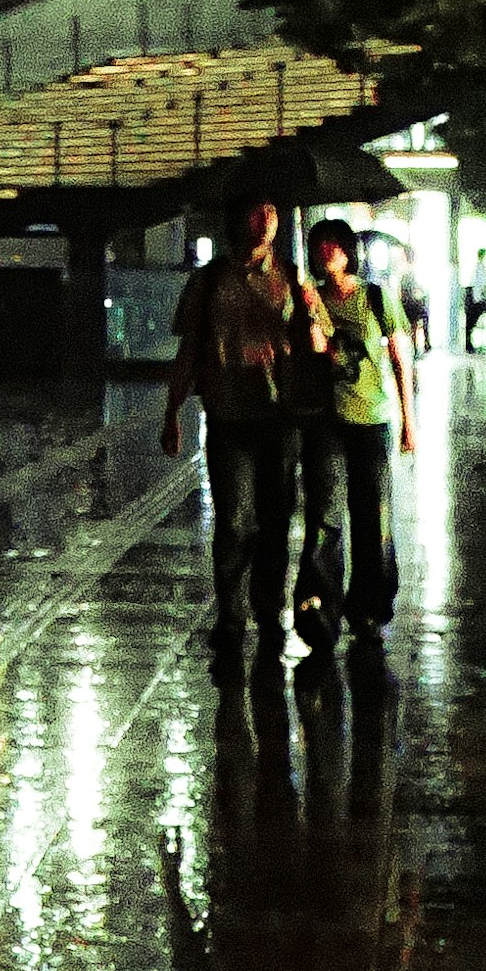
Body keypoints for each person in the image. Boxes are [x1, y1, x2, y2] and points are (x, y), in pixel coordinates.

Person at [162, 192, 321, 675]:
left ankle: (268, 612)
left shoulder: (293, 277)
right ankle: (231, 616)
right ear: (238, 218)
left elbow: (320, 339)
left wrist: (310, 331)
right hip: (229, 417)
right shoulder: (209, 281)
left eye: (273, 210)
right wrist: (171, 411)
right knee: (234, 522)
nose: (267, 219)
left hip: (281, 416)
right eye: (258, 209)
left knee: (275, 522)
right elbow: (189, 349)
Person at [290, 218, 418, 648]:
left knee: (374, 517)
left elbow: (402, 360)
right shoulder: (310, 299)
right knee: (325, 517)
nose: (327, 254)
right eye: (320, 247)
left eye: (334, 246)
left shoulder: (377, 297)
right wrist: (310, 321)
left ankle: (371, 606)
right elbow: (309, 354)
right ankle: (320, 609)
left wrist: (408, 423)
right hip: (325, 419)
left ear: (348, 251)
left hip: (372, 420)